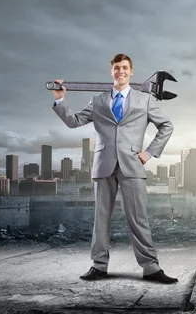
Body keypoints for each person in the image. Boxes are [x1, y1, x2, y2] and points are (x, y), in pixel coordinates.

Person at [51, 53, 178, 284]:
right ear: (111, 71)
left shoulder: (145, 99)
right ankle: (99, 266)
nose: (121, 71)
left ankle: (151, 268)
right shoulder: (98, 101)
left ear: (132, 72)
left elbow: (166, 126)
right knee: (101, 219)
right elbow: (74, 122)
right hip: (103, 166)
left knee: (139, 219)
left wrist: (149, 152)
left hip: (133, 165)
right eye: (117, 68)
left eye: (125, 68)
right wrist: (60, 100)